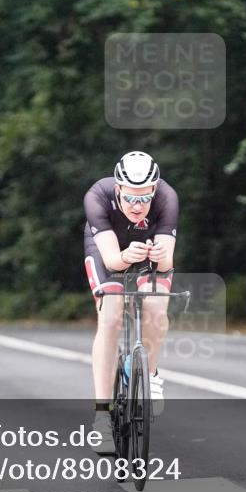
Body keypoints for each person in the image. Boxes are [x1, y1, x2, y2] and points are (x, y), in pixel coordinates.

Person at [83, 152, 178, 454]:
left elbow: (166, 264)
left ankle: (150, 375)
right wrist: (125, 257)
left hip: (147, 252)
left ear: (155, 190)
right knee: (110, 318)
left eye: (145, 198)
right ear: (118, 189)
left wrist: (161, 257)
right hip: (108, 250)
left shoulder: (166, 197)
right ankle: (102, 416)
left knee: (156, 310)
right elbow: (112, 260)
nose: (138, 206)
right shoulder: (97, 197)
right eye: (131, 199)